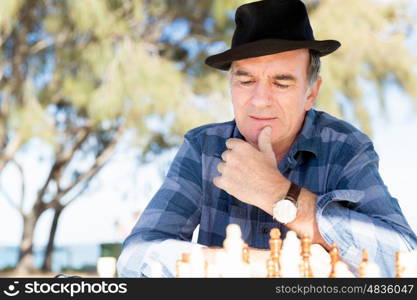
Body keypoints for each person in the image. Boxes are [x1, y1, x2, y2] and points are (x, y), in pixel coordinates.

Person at [117, 0, 417, 277]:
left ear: (311, 92)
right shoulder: (202, 147)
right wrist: (245, 263)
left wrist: (280, 195)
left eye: (281, 82)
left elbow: (404, 258)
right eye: (245, 80)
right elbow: (134, 257)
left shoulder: (345, 147)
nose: (260, 100)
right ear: (231, 85)